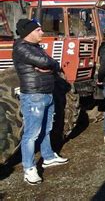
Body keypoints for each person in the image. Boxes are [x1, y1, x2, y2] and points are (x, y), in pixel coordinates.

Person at [12, 18, 68, 185]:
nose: (42, 32)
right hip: (34, 95)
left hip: (46, 92)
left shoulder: (36, 48)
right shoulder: (21, 48)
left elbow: (54, 64)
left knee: (47, 128)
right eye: (38, 30)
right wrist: (48, 65)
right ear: (28, 33)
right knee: (31, 133)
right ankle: (29, 169)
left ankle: (48, 156)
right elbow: (45, 62)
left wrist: (49, 66)